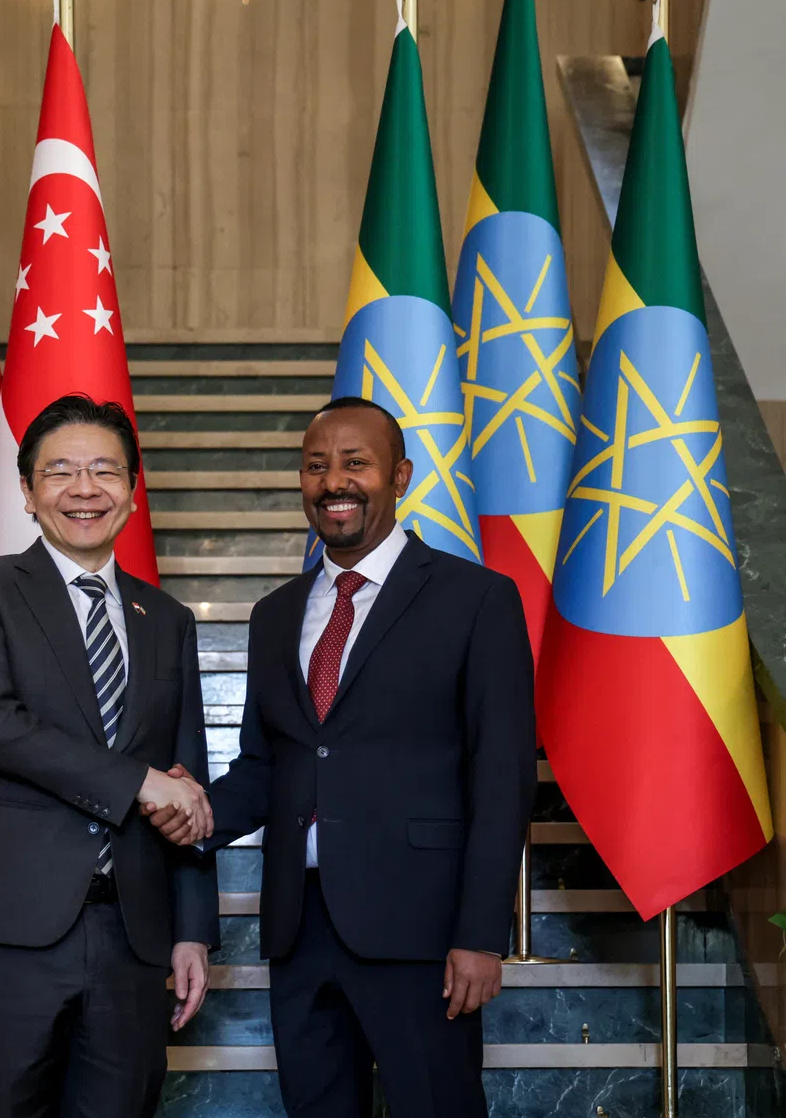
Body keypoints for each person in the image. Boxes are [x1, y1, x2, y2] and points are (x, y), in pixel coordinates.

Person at [148, 396, 537, 1117]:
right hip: (301, 929)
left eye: (355, 463)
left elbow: (503, 776)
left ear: (400, 476)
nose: (335, 482)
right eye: (315, 466)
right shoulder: (276, 616)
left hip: (422, 928)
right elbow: (269, 768)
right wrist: (194, 812)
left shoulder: (476, 600)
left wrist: (481, 935)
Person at [0, 393, 219, 1118]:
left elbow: (186, 783)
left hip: (135, 933)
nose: (84, 489)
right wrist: (140, 781)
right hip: (11, 927)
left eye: (104, 470)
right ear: (27, 493)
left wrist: (193, 931)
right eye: (60, 471)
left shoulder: (169, 620)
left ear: (132, 490)